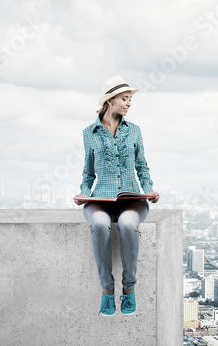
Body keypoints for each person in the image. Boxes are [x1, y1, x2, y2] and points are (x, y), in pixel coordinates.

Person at [73, 75, 160, 316]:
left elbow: (142, 166)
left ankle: (129, 289)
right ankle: (107, 290)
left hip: (131, 199)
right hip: (101, 199)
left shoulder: (134, 131)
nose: (129, 103)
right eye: (125, 99)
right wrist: (84, 192)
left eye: (130, 99)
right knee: (100, 224)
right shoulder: (89, 133)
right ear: (110, 100)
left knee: (127, 223)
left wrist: (149, 189)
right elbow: (88, 171)